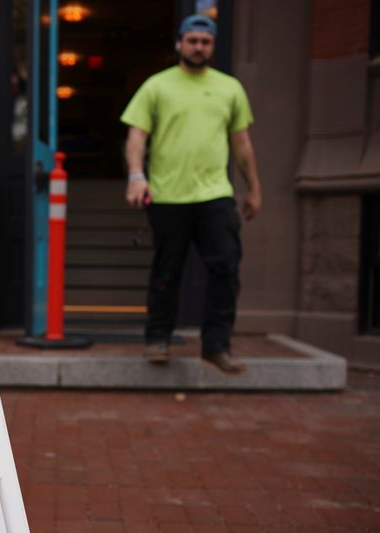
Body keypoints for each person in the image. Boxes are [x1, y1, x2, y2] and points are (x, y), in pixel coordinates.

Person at [120, 14, 261, 374]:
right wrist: (137, 176)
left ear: (213, 46)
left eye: (206, 42)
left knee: (226, 268)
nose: (199, 47)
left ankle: (216, 347)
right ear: (180, 43)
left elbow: (242, 144)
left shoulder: (230, 88)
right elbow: (137, 135)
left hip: (215, 194)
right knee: (167, 272)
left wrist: (254, 189)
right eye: (193, 40)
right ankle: (157, 340)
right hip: (167, 195)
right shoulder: (157, 86)